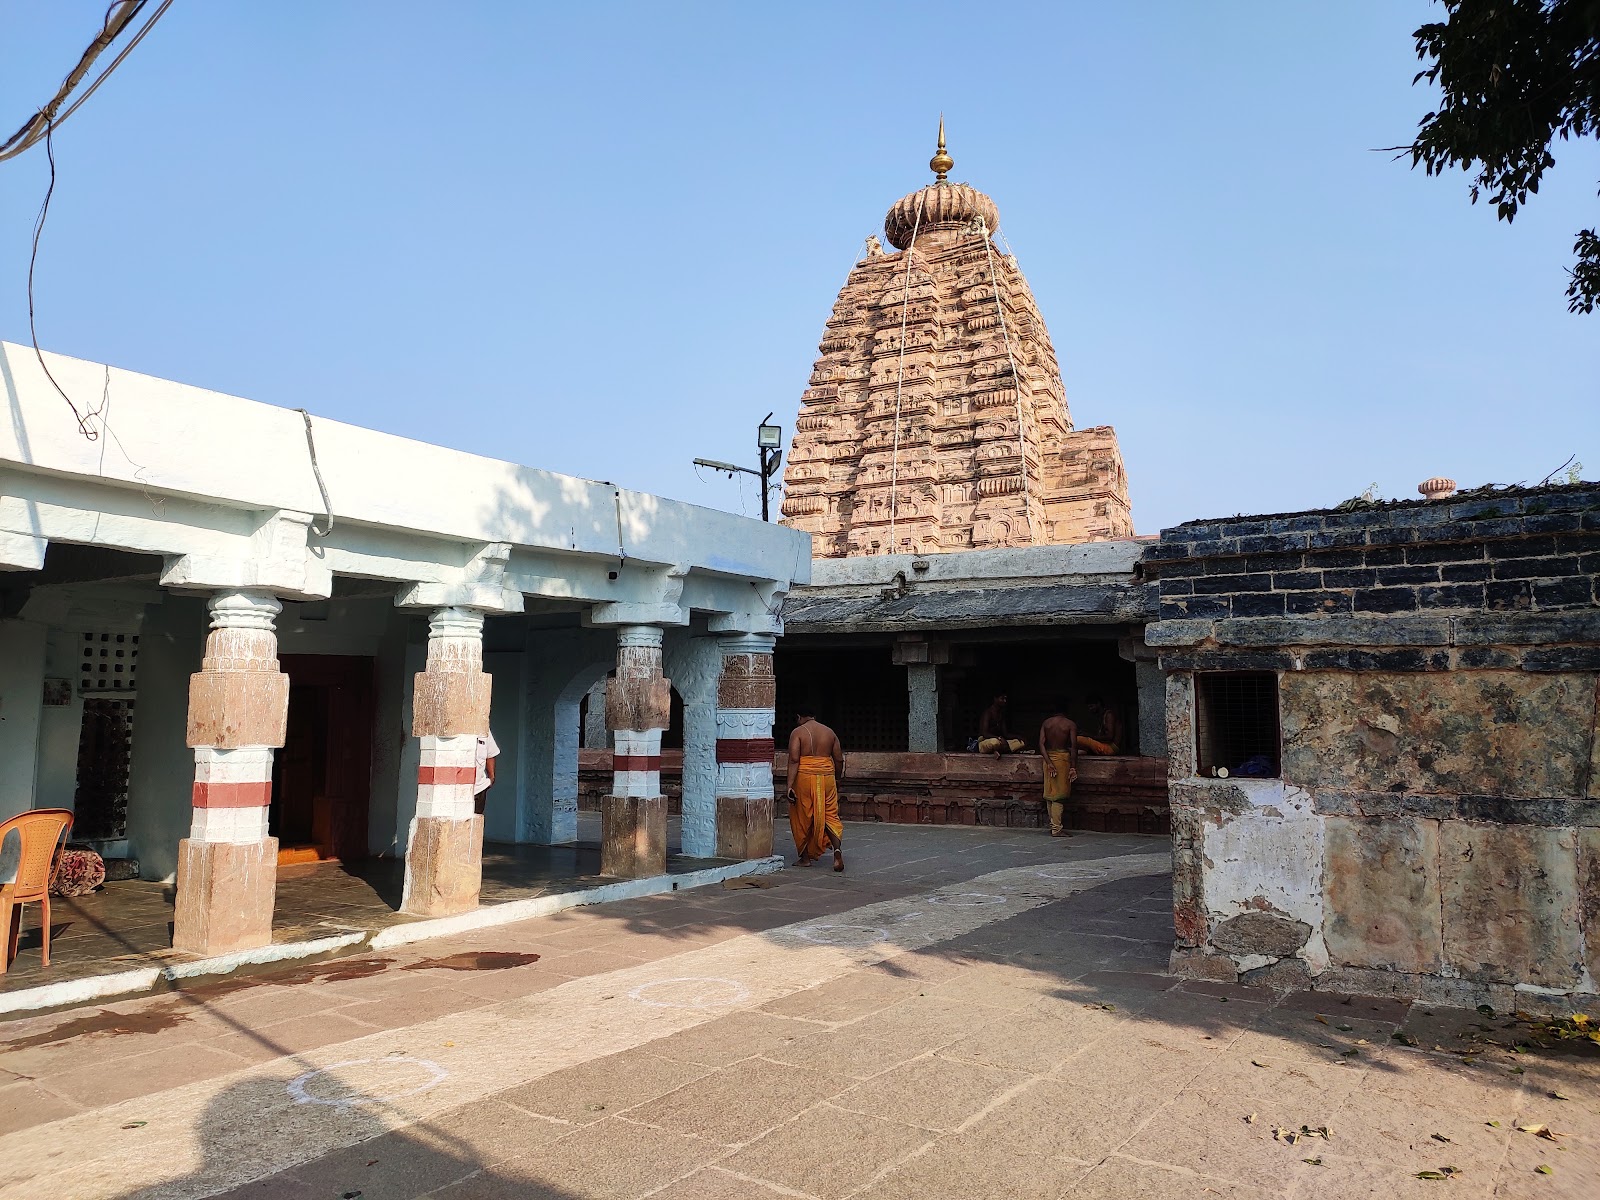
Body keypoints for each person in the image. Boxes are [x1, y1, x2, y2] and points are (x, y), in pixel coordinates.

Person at [786, 704, 844, 871]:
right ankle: (837, 851)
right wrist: (837, 779)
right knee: (830, 815)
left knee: (802, 816)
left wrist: (789, 785)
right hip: (827, 776)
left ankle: (805, 859)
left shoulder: (798, 733)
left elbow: (794, 759)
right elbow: (839, 759)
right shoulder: (829, 732)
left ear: (799, 717)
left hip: (804, 777)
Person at [1038, 703, 1079, 838]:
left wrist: (1049, 763)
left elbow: (1041, 744)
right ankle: (1056, 829)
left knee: (1050, 794)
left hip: (1048, 758)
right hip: (1062, 759)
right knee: (1059, 795)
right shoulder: (1070, 724)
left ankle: (1053, 826)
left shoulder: (1046, 723)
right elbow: (1073, 747)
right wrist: (1073, 766)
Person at [473, 730, 500, 816]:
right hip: (455, 791)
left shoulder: (483, 729)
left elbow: (490, 754)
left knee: (475, 824)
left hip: (478, 790)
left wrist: (491, 778)